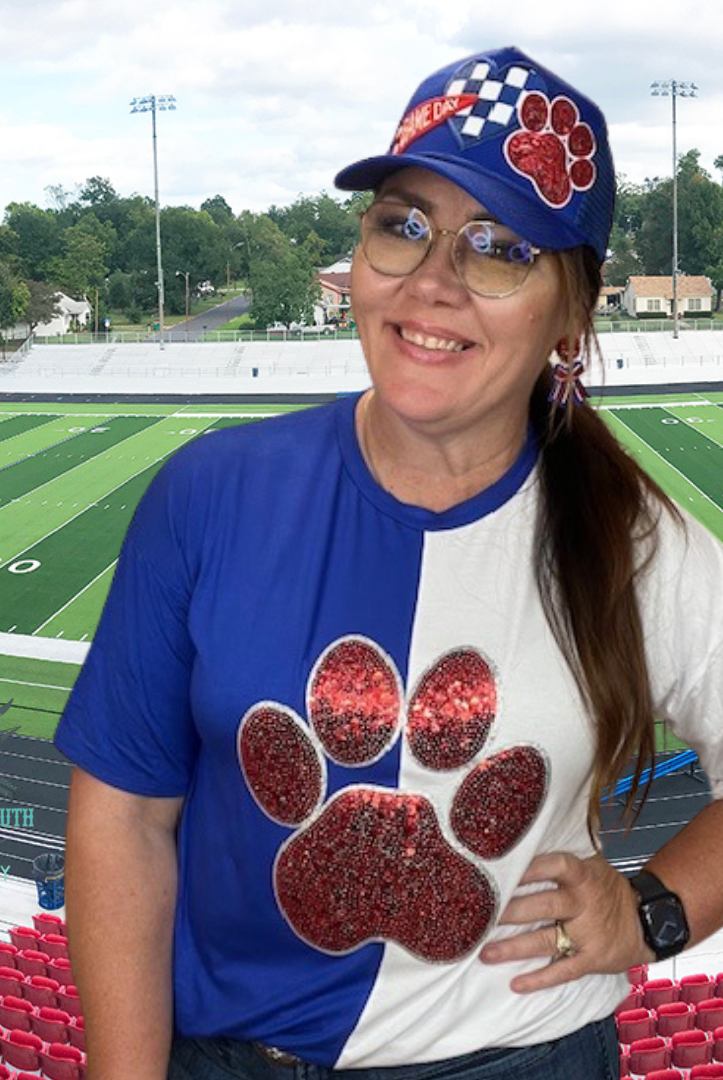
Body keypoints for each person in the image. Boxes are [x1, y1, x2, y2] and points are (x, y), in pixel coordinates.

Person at [55, 46, 723, 1080]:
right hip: (224, 1056)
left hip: (519, 1057)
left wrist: (656, 910)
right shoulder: (208, 495)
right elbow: (125, 820)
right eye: (402, 225)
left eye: (499, 248)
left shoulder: (633, 542)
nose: (433, 281)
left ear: (571, 317)